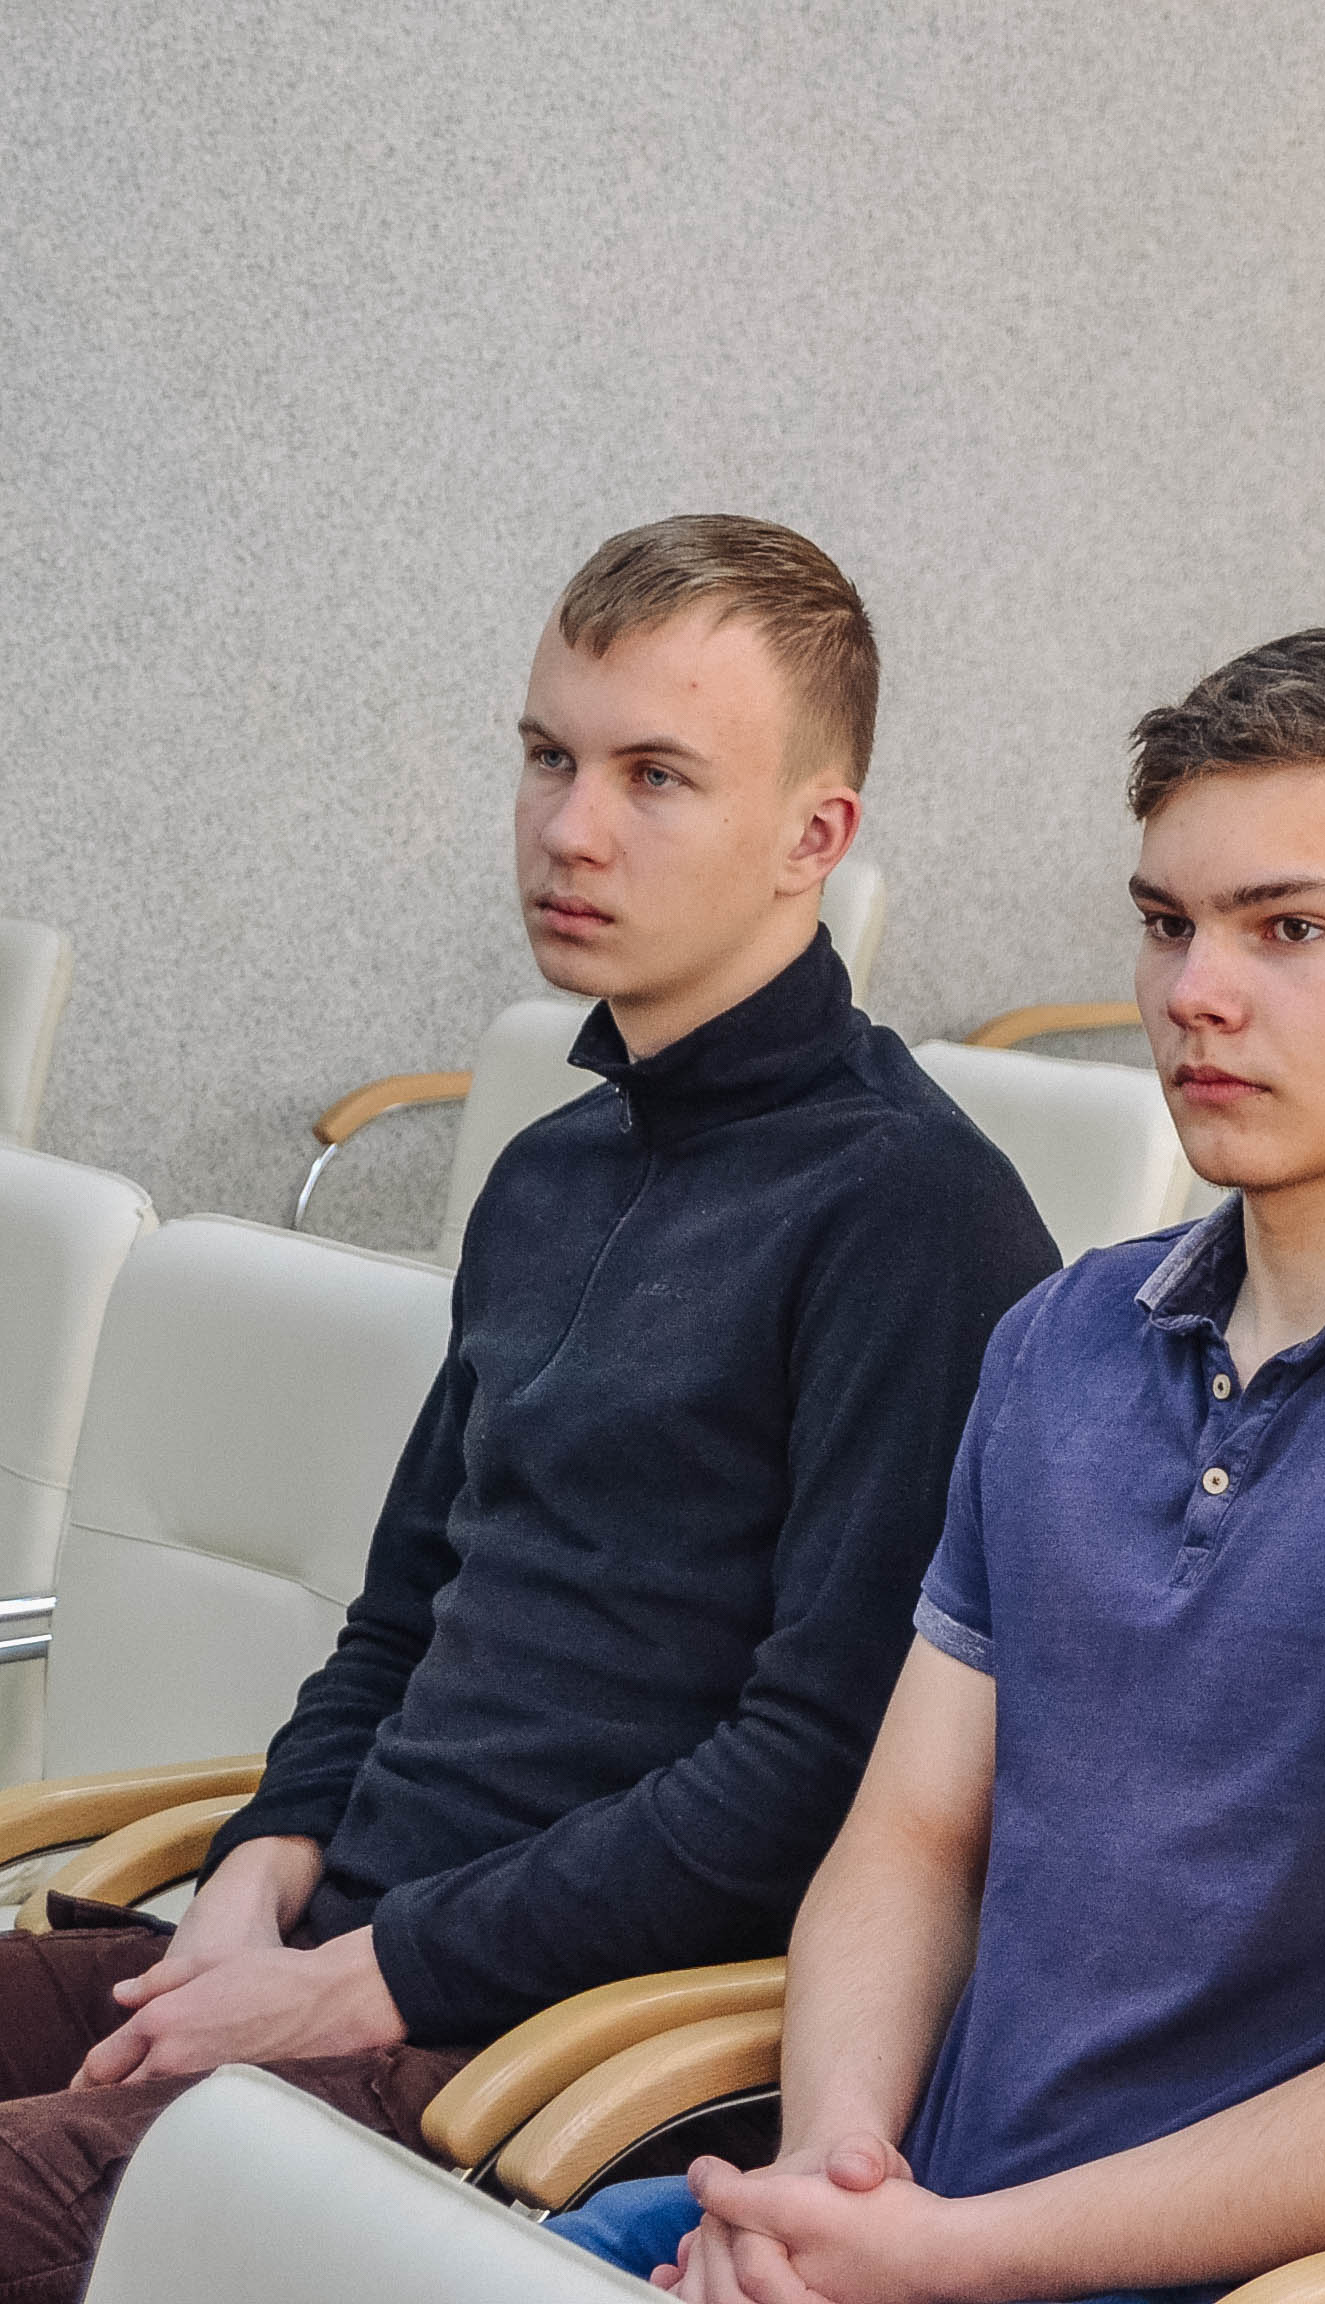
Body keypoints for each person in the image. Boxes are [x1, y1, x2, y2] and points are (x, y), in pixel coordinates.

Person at [554, 627, 1325, 2304]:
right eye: (1170, 923)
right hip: (908, 2222)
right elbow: (910, 1840)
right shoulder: (1065, 1336)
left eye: (1292, 929)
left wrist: (949, 2257)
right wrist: (832, 2181)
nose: (1196, 993)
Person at [0, 516, 1060, 2296]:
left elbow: (815, 1771)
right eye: (549, 757)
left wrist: (362, 1978)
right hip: (336, 1947)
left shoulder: (912, 1214)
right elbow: (401, 1615)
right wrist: (261, 1863)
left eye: (657, 776)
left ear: (815, 836)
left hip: (540, 2053)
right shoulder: (552, 1170)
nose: (571, 827)